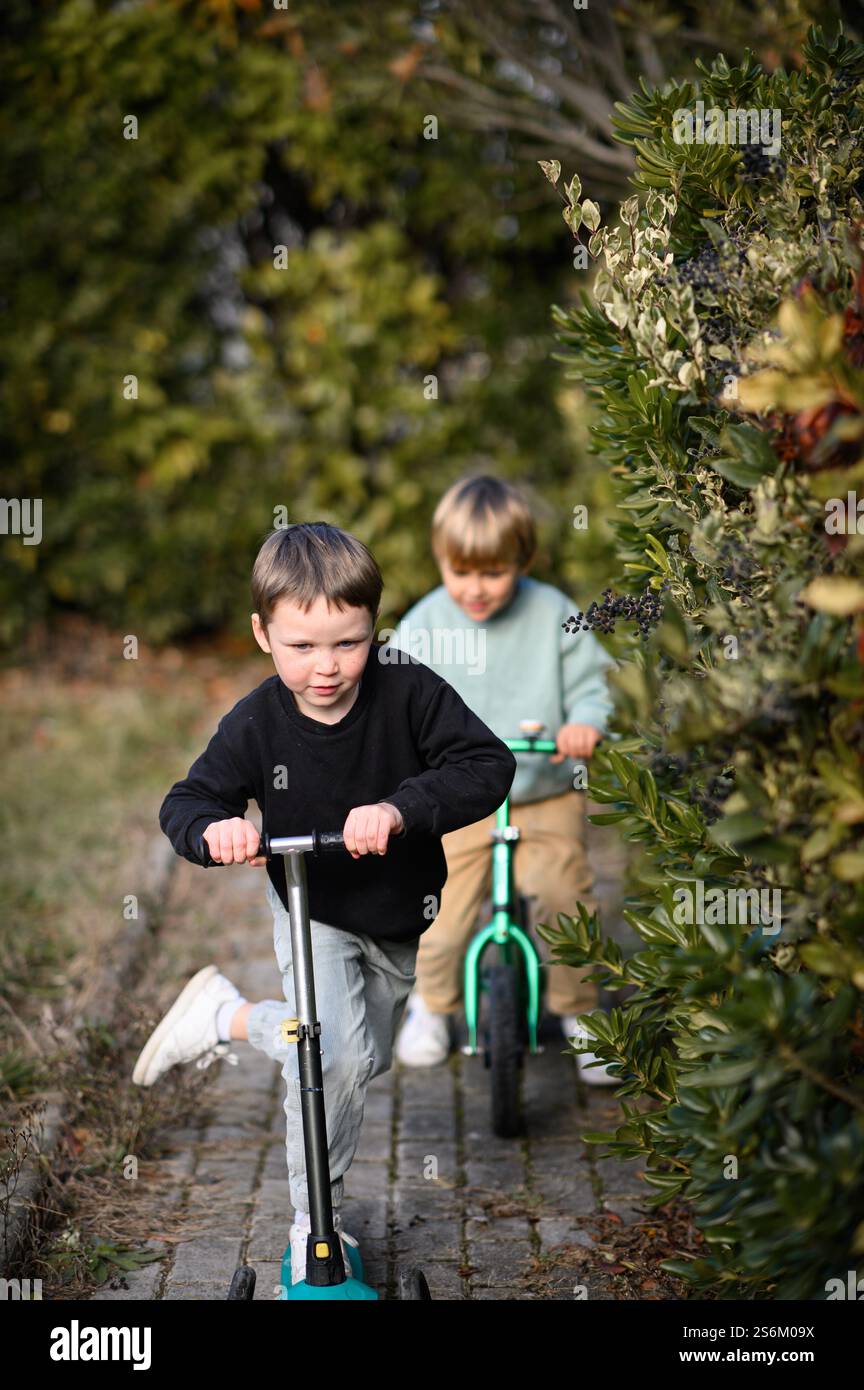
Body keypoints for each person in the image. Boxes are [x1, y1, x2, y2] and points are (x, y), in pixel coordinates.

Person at [131, 521, 516, 1284]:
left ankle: (228, 1018)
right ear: (262, 633)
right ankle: (317, 1224)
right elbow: (188, 800)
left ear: (375, 629)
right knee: (330, 1060)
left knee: (357, 1060)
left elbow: (487, 765)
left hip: (402, 916)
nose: (327, 667)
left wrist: (403, 807)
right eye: (301, 646)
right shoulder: (256, 721)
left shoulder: (408, 690)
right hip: (312, 913)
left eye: (348, 643)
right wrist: (215, 830)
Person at [387, 475, 619, 1085]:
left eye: (494, 573)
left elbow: (595, 685)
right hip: (461, 802)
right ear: (440, 560)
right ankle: (432, 1006)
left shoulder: (553, 614)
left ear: (524, 560)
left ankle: (582, 1014)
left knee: (563, 897)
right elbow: (400, 703)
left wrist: (584, 725)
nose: (476, 589)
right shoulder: (425, 623)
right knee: (441, 915)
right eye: (461, 572)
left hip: (543, 792)